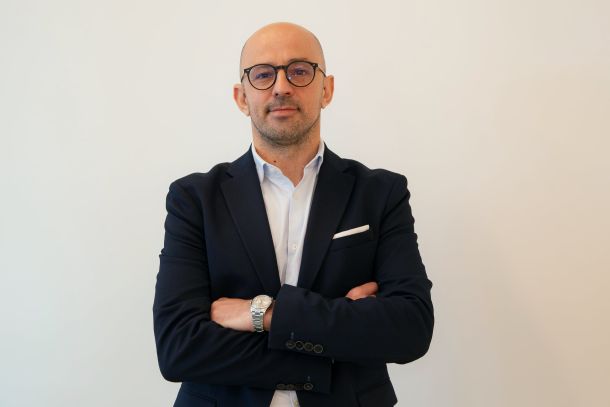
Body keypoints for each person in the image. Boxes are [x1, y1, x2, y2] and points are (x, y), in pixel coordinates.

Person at [153, 22, 434, 407]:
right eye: (263, 74)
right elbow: (178, 348)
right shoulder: (195, 200)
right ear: (241, 97)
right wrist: (328, 351)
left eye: (300, 71)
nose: (282, 86)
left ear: (326, 89)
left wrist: (264, 314)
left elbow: (410, 328)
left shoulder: (380, 193)